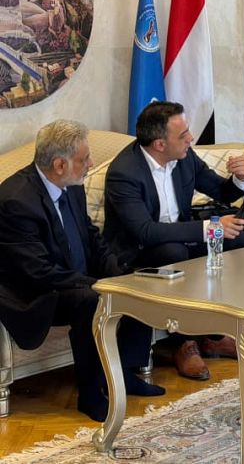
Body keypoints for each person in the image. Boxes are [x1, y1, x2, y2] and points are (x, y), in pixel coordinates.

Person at [0, 120, 164, 422]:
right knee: (90, 299)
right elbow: (38, 272)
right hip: (37, 293)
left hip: (72, 279)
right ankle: (90, 394)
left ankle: (125, 373)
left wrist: (120, 275)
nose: (90, 164)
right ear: (59, 164)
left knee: (134, 281)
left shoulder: (72, 185)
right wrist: (97, 285)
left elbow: (91, 238)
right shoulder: (16, 200)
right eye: (84, 159)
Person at [103, 101, 244, 380]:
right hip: (138, 251)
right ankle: (183, 344)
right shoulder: (124, 173)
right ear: (160, 144)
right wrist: (210, 228)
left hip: (180, 240)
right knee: (173, 253)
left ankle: (213, 335)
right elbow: (145, 232)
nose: (191, 138)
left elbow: (223, 192)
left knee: (241, 242)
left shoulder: (185, 157)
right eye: (183, 134)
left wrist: (241, 178)